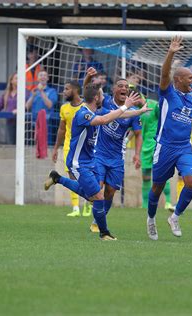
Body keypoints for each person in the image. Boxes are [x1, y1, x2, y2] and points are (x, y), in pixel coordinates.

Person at [44, 79, 146, 240]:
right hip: (78, 162)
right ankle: (104, 232)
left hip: (90, 160)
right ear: (97, 98)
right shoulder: (84, 113)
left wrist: (138, 111)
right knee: (98, 197)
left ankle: (57, 178)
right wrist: (126, 105)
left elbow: (119, 115)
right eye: (100, 94)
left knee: (93, 195)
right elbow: (104, 120)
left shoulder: (95, 111)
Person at [146, 36, 192, 241]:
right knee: (157, 187)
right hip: (165, 147)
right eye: (189, 78)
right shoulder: (168, 93)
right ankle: (150, 219)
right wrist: (171, 52)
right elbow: (164, 73)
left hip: (184, 148)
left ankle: (175, 217)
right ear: (178, 80)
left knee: (191, 182)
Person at [90, 76, 145, 234]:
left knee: (110, 191)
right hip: (99, 153)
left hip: (117, 157)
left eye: (126, 87)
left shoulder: (133, 113)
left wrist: (137, 154)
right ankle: (99, 220)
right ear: (114, 89)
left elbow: (138, 134)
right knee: (98, 188)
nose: (124, 88)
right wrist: (91, 80)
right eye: (120, 85)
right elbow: (89, 93)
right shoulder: (105, 101)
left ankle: (98, 219)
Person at [130, 84, 174, 211]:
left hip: (157, 144)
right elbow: (134, 130)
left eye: (133, 99)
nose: (131, 103)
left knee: (161, 174)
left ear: (138, 97)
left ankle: (168, 202)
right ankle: (145, 205)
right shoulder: (134, 111)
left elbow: (165, 120)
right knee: (145, 176)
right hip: (144, 147)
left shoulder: (153, 105)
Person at [51, 80, 87, 217]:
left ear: (75, 90)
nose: (63, 91)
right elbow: (61, 130)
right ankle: (76, 208)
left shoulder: (85, 107)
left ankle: (89, 204)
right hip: (69, 146)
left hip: (85, 147)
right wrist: (55, 149)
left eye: (66, 89)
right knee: (72, 175)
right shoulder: (64, 108)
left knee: (87, 175)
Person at [0, 73, 28, 144]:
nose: (19, 80)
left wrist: (20, 110)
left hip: (23, 121)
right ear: (11, 81)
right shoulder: (6, 93)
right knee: (11, 142)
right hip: (10, 121)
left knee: (22, 143)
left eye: (20, 78)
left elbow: (27, 105)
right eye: (16, 78)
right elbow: (0, 103)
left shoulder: (25, 92)